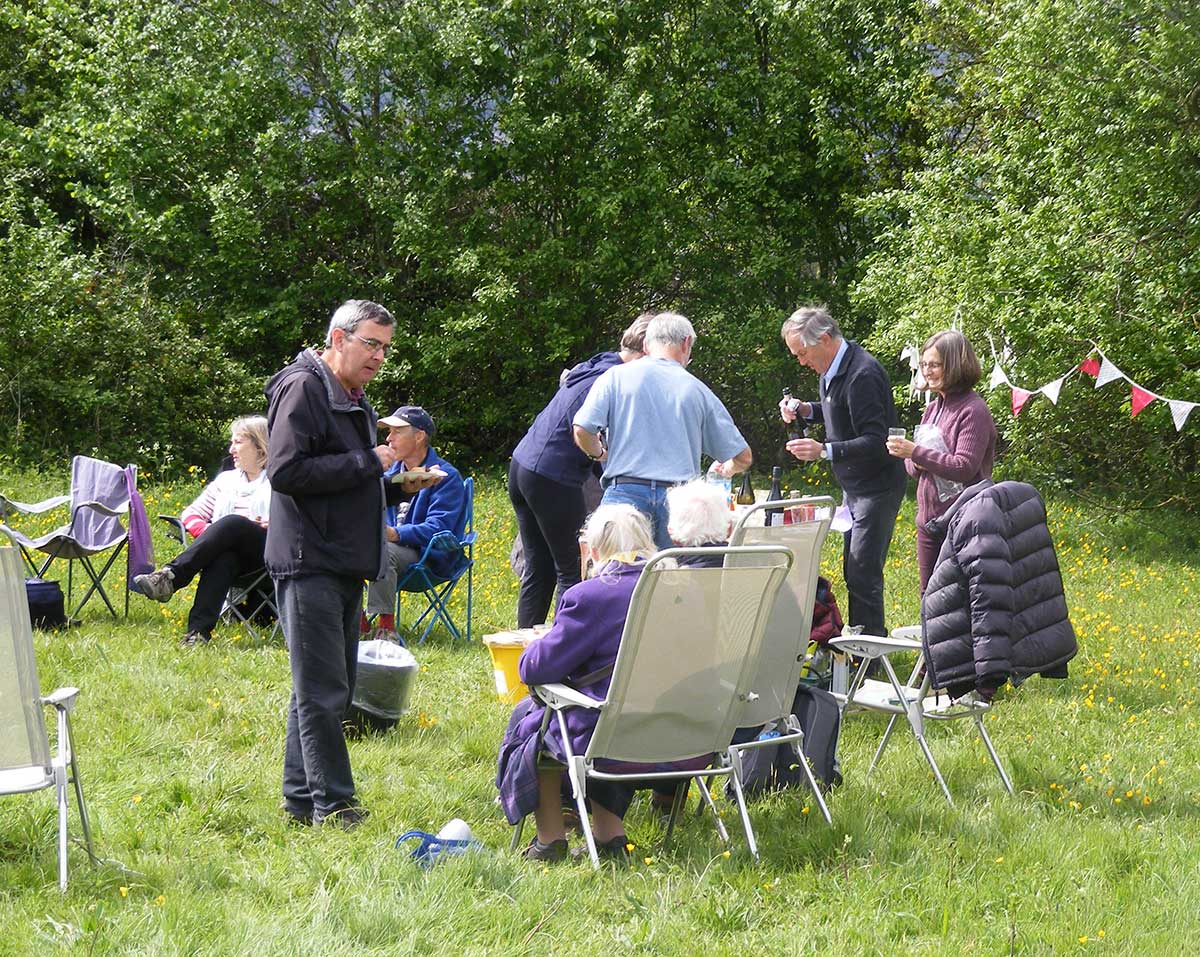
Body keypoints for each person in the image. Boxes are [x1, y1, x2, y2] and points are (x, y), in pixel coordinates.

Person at [264, 299, 440, 830]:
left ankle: (300, 800)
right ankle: (335, 806)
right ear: (338, 339)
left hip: (343, 559)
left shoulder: (355, 400)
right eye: (371, 343)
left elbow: (344, 478)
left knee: (322, 684)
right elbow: (287, 471)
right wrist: (372, 461)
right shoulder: (303, 388)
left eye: (385, 347)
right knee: (324, 690)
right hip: (308, 557)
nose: (379, 356)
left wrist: (393, 483)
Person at [495, 505, 709, 862]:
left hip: (615, 742)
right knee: (606, 710)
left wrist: (535, 645)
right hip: (688, 736)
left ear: (593, 550)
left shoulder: (592, 596)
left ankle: (550, 840)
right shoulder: (685, 589)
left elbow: (535, 669)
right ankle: (610, 837)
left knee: (539, 722)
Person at [508, 313, 651, 627]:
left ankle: (523, 653)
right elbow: (586, 431)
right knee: (573, 569)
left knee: (539, 567)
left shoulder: (599, 364)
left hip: (522, 465)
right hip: (552, 474)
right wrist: (601, 454)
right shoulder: (616, 378)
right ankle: (565, 657)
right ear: (646, 351)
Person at [572, 312, 752, 550]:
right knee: (675, 581)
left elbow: (582, 429)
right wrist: (726, 470)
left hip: (625, 494)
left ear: (646, 345)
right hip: (680, 503)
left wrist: (598, 452)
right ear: (686, 343)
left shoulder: (615, 377)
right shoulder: (697, 390)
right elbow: (743, 457)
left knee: (614, 576)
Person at [779, 305, 905, 638]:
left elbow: (877, 440)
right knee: (853, 568)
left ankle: (871, 654)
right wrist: (806, 409)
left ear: (823, 339)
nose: (802, 362)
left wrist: (824, 451)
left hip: (877, 486)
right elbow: (839, 410)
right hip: (854, 487)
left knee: (863, 572)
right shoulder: (831, 369)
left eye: (803, 353)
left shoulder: (863, 373)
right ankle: (861, 643)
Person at [133, 416, 272, 647]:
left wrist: (277, 524)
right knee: (223, 557)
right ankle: (197, 634)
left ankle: (171, 576)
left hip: (267, 554)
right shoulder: (226, 481)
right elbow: (190, 515)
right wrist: (213, 533)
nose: (231, 450)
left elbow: (299, 520)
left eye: (238, 443)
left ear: (259, 446)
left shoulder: (280, 481)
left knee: (232, 523)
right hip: (235, 559)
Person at [886, 330, 998, 594]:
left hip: (962, 522)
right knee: (929, 597)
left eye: (934, 365)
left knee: (958, 600)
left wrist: (917, 453)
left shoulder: (973, 410)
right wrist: (914, 457)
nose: (927, 371)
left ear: (956, 365)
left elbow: (964, 467)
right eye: (924, 364)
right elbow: (915, 469)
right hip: (928, 522)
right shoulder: (932, 408)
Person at [363, 405, 467, 642]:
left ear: (419, 436)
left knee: (383, 551)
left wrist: (396, 534)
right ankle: (356, 622)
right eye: (388, 432)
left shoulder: (444, 477)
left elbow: (441, 527)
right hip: (391, 549)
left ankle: (386, 628)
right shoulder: (388, 476)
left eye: (397, 432)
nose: (389, 439)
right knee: (348, 543)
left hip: (429, 556)